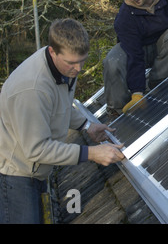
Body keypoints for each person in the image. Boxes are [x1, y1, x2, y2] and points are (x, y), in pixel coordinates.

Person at [0, 18, 124, 224]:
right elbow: (37, 149)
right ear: (52, 52)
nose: (78, 69)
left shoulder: (64, 69)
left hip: (36, 169)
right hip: (15, 173)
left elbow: (60, 106)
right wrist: (91, 153)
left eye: (82, 61)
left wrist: (87, 125)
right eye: (72, 63)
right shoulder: (32, 89)